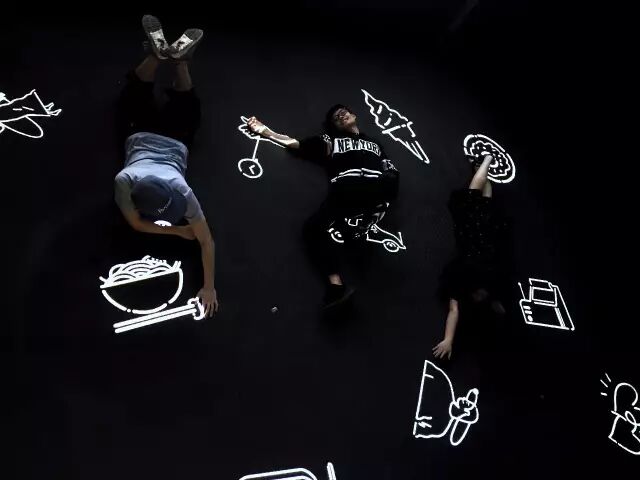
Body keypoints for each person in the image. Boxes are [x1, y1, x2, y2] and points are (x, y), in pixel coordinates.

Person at [114, 15, 218, 317]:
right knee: (149, 97)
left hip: (168, 139)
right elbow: (206, 240)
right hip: (145, 136)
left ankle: (168, 58)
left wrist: (209, 286)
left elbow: (136, 223)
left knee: (152, 97)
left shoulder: (170, 188)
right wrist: (179, 232)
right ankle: (169, 59)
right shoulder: (128, 180)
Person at [246, 105, 399, 308]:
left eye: (343, 112)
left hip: (373, 190)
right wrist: (264, 130)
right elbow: (296, 144)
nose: (341, 116)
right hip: (345, 193)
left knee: (385, 185)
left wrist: (388, 190)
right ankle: (336, 287)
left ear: (353, 115)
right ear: (335, 126)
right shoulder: (332, 141)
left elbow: (390, 170)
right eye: (336, 118)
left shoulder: (375, 143)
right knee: (312, 229)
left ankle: (358, 228)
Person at [433, 154, 508, 360]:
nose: (479, 296)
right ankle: (485, 164)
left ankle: (483, 167)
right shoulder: (491, 282)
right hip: (483, 236)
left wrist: (448, 340)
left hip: (475, 235)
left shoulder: (461, 280)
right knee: (480, 201)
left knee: (477, 200)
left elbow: (454, 311)